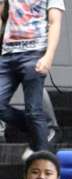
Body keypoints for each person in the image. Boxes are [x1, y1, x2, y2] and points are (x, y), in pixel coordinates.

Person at [0, 0, 62, 159]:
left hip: (34, 53)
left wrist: (48, 56)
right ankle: (40, 133)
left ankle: (45, 162)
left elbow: (55, 22)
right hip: (7, 53)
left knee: (33, 111)